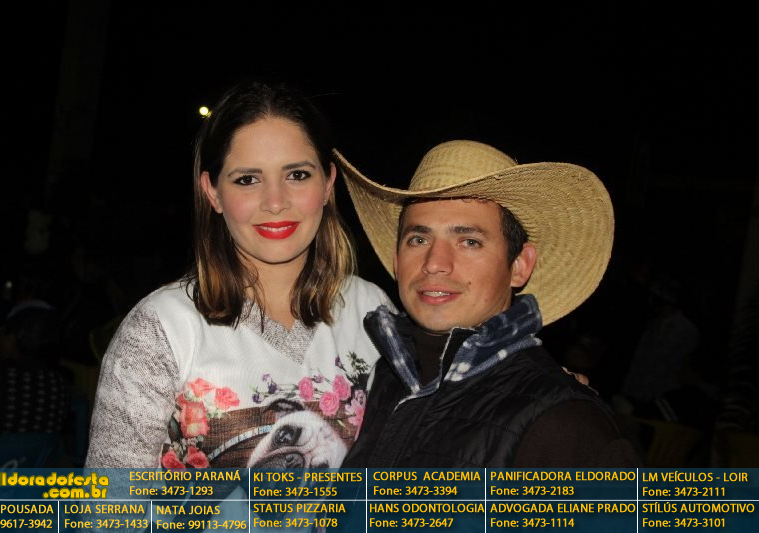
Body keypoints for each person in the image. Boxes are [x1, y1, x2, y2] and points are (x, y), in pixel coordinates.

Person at [85, 80, 392, 469]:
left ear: (329, 184)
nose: (275, 202)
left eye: (297, 175)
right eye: (248, 179)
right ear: (212, 192)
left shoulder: (373, 310)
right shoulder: (161, 330)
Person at [335, 140, 641, 467]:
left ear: (520, 265)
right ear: (397, 260)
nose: (435, 263)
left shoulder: (565, 426)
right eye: (419, 239)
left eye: (469, 241)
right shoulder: (381, 379)